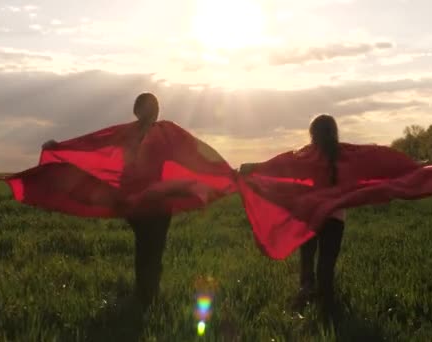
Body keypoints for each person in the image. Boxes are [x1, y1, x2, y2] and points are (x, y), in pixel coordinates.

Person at [32, 93, 232, 308]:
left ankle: (146, 296)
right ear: (138, 111)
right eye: (148, 107)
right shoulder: (132, 133)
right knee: (149, 248)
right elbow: (94, 143)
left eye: (154, 107)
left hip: (154, 201)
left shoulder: (164, 133)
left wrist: (224, 173)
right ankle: (146, 297)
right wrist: (60, 147)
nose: (152, 111)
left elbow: (193, 153)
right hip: (136, 202)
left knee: (150, 248)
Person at [239, 114, 344, 317]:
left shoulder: (307, 155)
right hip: (335, 218)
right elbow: (375, 161)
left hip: (310, 216)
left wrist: (254, 168)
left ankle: (306, 294)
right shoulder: (346, 154)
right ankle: (327, 305)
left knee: (307, 259)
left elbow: (281, 166)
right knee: (327, 263)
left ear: (312, 134)